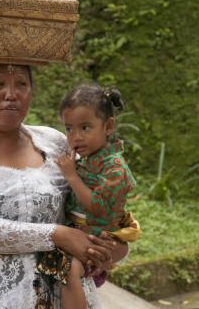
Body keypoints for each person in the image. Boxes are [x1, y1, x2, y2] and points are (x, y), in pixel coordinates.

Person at [0, 61, 128, 308]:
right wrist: (56, 235)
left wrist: (112, 245)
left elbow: (97, 202)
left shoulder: (54, 142)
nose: (11, 94)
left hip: (66, 296)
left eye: (21, 84)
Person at [54, 83, 140, 309]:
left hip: (97, 239)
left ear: (108, 126)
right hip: (77, 234)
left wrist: (72, 177)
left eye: (85, 127)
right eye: (69, 129)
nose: (76, 137)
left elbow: (99, 208)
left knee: (69, 269)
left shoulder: (114, 168)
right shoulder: (86, 159)